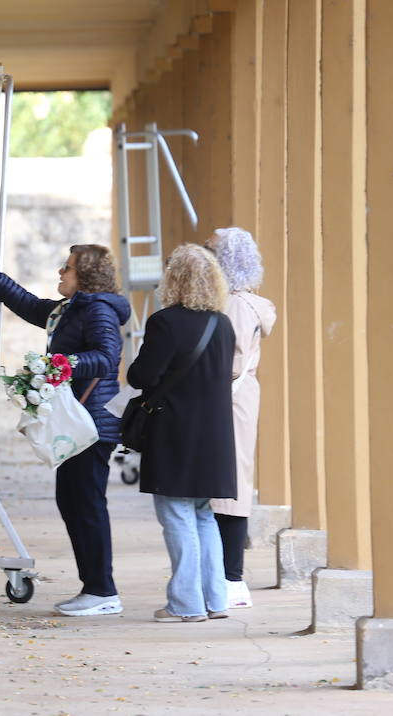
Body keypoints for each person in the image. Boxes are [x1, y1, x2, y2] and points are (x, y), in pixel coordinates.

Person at [0, 245, 131, 616]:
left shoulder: (96, 309)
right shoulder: (72, 309)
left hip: (91, 422)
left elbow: (106, 357)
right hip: (79, 419)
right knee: (74, 501)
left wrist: (61, 364)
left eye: (67, 268)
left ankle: (102, 591)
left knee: (86, 505)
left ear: (86, 275)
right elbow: (32, 306)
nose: (60, 272)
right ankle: (95, 588)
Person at [126, 244, 237, 623]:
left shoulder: (166, 322)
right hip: (214, 435)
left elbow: (141, 376)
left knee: (175, 513)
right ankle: (215, 599)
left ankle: (186, 603)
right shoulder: (222, 324)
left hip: (176, 431)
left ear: (174, 278)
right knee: (204, 515)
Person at [205, 227, 276, 608]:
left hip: (228, 398)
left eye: (211, 250)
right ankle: (228, 575)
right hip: (237, 397)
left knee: (228, 485)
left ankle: (232, 577)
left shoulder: (233, 303)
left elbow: (229, 359)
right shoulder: (244, 301)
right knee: (230, 480)